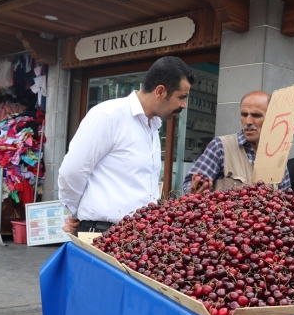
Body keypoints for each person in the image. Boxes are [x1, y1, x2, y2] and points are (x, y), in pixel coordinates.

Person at [59, 56, 195, 234]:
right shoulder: (109, 115)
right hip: (103, 232)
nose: (184, 105)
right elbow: (73, 171)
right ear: (160, 92)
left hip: (138, 235)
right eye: (182, 97)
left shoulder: (153, 126)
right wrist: (75, 214)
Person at [183, 91, 291, 193]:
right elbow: (189, 185)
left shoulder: (277, 157)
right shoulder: (220, 147)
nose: (248, 121)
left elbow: (285, 200)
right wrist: (195, 189)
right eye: (244, 114)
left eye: (256, 115)